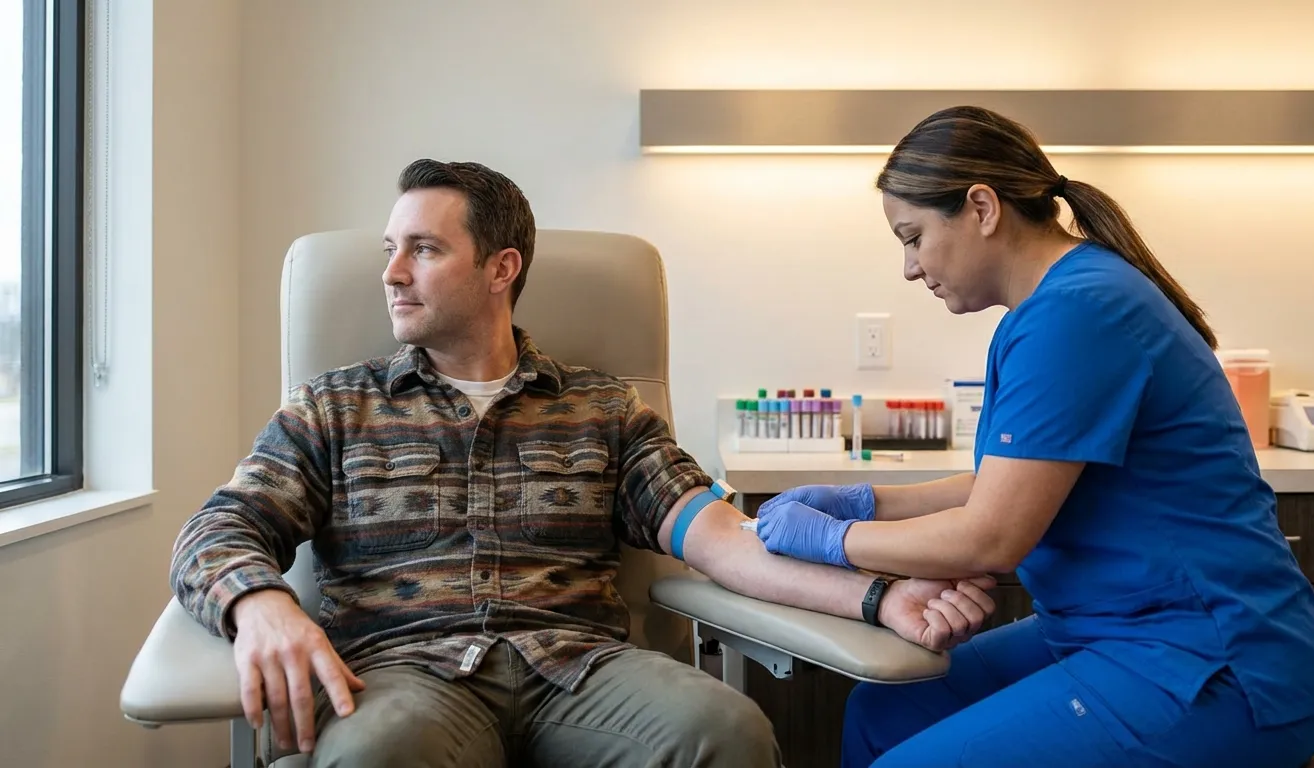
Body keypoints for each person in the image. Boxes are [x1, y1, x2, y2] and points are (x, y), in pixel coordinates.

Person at [170, 158, 998, 768]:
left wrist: (877, 597)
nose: (390, 273)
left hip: (580, 669)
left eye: (422, 249)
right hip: (405, 674)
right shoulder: (336, 407)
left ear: (501, 269)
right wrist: (261, 604)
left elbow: (726, 542)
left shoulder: (603, 409)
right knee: (376, 756)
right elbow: (220, 529)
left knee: (728, 732)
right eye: (390, 249)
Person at [755, 106, 1314, 768]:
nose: (910, 269)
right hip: (1109, 632)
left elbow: (994, 536)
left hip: (1213, 664)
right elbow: (1005, 486)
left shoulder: (1079, 310)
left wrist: (832, 541)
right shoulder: (1044, 310)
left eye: (913, 237)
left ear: (981, 207)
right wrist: (865, 501)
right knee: (884, 710)